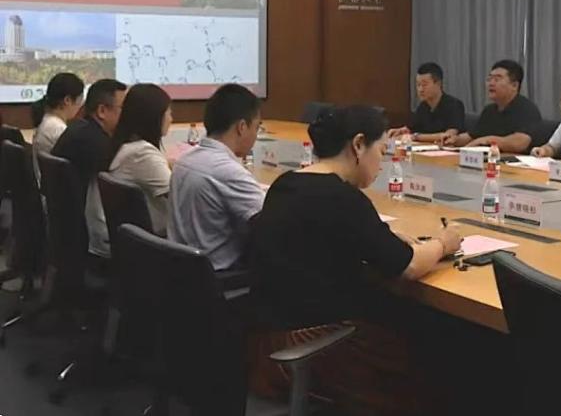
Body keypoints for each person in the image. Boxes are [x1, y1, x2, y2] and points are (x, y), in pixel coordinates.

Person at [248, 105, 462, 415]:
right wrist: (443, 243)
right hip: (321, 346)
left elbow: (329, 234)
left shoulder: (286, 184)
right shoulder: (343, 198)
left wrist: (384, 237)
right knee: (435, 345)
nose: (381, 164)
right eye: (381, 151)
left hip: (267, 344)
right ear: (359, 145)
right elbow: (410, 266)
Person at [169, 84, 266, 271]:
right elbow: (270, 221)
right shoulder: (227, 171)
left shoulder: (184, 161)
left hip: (181, 270)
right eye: (256, 127)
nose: (255, 135)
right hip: (218, 274)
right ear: (242, 127)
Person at [52, 79, 127, 257]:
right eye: (124, 108)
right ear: (102, 111)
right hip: (87, 235)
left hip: (65, 229)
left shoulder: (78, 128)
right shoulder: (95, 143)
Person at [105, 84, 173, 249]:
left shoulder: (127, 146)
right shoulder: (143, 154)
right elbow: (179, 196)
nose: (171, 119)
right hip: (157, 242)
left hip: (133, 241)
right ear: (154, 117)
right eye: (168, 113)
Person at [443, 59, 542, 154]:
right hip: (492, 160)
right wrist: (455, 139)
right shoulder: (489, 110)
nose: (491, 83)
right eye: (489, 79)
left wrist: (488, 140)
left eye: (497, 79)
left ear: (514, 85)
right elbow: (472, 136)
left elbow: (519, 143)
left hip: (519, 163)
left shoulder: (527, 109)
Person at [390, 63, 466, 144]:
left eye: (424, 85)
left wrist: (416, 137)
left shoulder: (454, 105)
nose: (420, 89)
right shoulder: (423, 107)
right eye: (418, 85)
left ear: (438, 83)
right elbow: (412, 129)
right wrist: (401, 131)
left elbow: (448, 136)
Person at [31, 72, 85, 183]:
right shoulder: (57, 129)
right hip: (54, 189)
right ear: (67, 100)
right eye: (80, 100)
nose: (80, 106)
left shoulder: (47, 121)